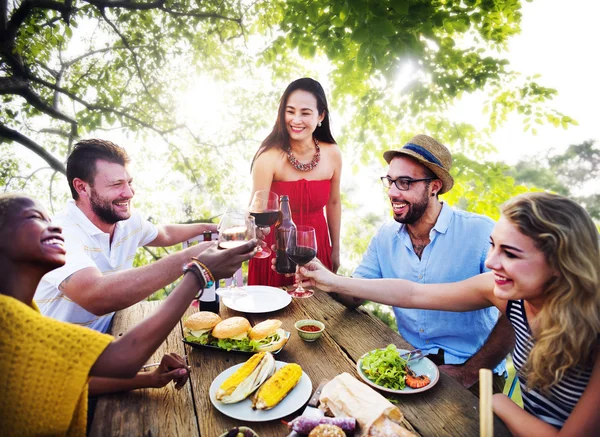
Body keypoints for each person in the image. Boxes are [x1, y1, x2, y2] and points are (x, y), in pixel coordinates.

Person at [298, 192, 599, 435]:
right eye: (493, 246)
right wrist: (330, 279)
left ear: (561, 263)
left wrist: (497, 402)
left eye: (511, 253)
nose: (492, 262)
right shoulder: (512, 297)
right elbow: (413, 293)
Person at [0, 192, 257, 436]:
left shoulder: (24, 314)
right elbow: (124, 357)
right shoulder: (8, 320)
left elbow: (70, 382)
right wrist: (199, 273)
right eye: (35, 218)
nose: (54, 226)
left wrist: (148, 379)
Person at [334, 134, 514, 394]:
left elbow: (516, 312)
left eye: (405, 183)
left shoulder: (481, 233)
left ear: (434, 187)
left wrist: (470, 371)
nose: (393, 192)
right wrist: (320, 275)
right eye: (391, 181)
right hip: (412, 363)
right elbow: (354, 296)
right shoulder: (385, 237)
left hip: (476, 369)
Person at [34, 139, 218, 332]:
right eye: (116, 184)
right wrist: (194, 259)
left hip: (107, 341)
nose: (129, 193)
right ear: (82, 187)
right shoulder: (56, 234)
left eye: (129, 182)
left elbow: (164, 233)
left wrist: (210, 228)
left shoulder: (127, 223)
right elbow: (94, 296)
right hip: (53, 354)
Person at [248, 77, 342, 287]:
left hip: (317, 246)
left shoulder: (333, 154)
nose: (296, 120)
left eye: (305, 113)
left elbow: (334, 203)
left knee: (318, 313)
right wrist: (255, 235)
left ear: (321, 116)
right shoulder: (268, 157)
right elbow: (256, 210)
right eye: (290, 111)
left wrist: (335, 249)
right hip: (277, 250)